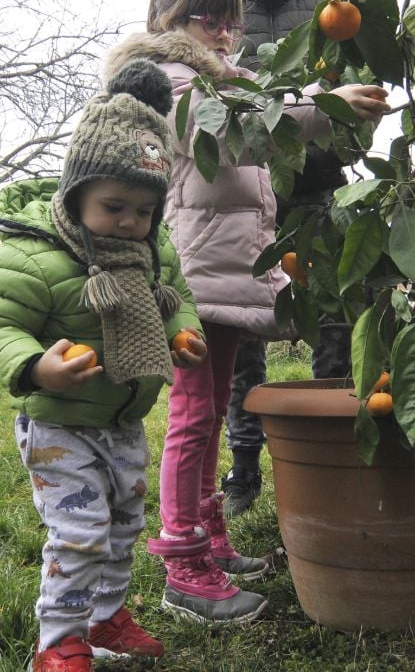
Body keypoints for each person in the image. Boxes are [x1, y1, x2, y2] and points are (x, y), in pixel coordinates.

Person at [105, 0, 389, 624]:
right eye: (211, 17)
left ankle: (208, 536)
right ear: (168, 22)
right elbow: (234, 131)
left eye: (231, 17)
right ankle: (182, 562)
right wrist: (328, 106)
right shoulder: (168, 83)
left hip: (223, 271)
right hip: (195, 274)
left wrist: (336, 106)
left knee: (210, 412)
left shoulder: (223, 83)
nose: (226, 30)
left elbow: (263, 119)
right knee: (193, 416)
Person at [0, 59, 208, 671]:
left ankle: (105, 616)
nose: (130, 222)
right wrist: (36, 366)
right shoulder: (35, 254)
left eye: (144, 211)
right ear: (75, 192)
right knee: (81, 530)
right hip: (60, 425)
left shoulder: (149, 252)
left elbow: (178, 298)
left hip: (122, 422)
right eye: (114, 205)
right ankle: (59, 639)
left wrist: (183, 332)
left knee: (122, 523)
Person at [218, 0, 355, 516]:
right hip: (245, 197)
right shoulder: (215, 14)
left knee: (334, 321)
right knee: (245, 337)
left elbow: (358, 88)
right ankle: (243, 473)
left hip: (319, 191)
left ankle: (333, 461)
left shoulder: (333, 5)